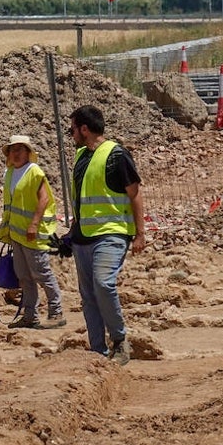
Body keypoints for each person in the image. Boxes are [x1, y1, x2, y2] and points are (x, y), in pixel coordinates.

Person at [68, 105, 146, 365]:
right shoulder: (81, 157)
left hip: (112, 234)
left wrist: (139, 234)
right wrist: (71, 233)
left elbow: (134, 194)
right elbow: (81, 199)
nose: (71, 135)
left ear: (84, 129)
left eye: (73, 130)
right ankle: (98, 351)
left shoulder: (116, 155)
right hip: (83, 237)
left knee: (103, 284)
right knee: (88, 295)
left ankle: (120, 341)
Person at [0, 135, 66, 329]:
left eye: (20, 149)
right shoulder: (10, 173)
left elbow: (44, 199)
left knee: (41, 273)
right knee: (24, 276)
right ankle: (30, 316)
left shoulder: (34, 171)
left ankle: (56, 311)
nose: (16, 153)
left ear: (28, 152)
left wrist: (34, 224)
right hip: (17, 233)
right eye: (13, 149)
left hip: (33, 233)